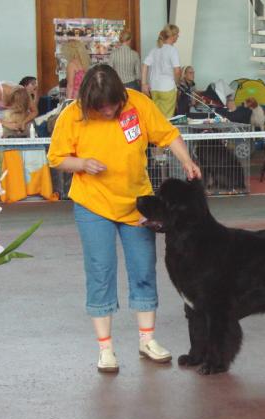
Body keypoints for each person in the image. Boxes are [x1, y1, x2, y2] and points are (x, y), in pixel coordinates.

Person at [47, 64, 202, 373]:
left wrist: (187, 161)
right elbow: (56, 157)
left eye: (111, 105)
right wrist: (82, 163)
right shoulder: (72, 115)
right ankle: (105, 349)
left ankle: (148, 341)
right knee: (101, 270)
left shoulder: (139, 104)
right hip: (93, 205)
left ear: (121, 95)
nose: (106, 111)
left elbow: (168, 134)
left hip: (137, 203)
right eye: (99, 107)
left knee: (144, 268)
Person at [141, 24, 181, 118]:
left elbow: (144, 65)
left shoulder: (155, 50)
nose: (178, 36)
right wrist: (177, 83)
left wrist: (144, 84)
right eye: (177, 34)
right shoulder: (172, 50)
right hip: (168, 88)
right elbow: (177, 71)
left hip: (154, 88)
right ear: (172, 36)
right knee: (167, 119)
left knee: (156, 117)